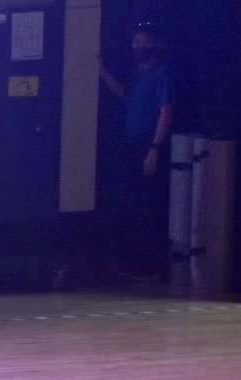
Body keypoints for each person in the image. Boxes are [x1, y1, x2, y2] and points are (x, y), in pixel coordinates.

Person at [98, 23, 174, 278]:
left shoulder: (163, 73)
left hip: (148, 143)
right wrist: (102, 72)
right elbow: (124, 95)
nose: (138, 46)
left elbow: (166, 111)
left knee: (148, 205)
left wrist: (154, 148)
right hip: (130, 142)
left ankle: (153, 266)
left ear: (156, 45)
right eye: (136, 41)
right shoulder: (136, 73)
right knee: (130, 203)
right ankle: (132, 263)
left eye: (143, 41)